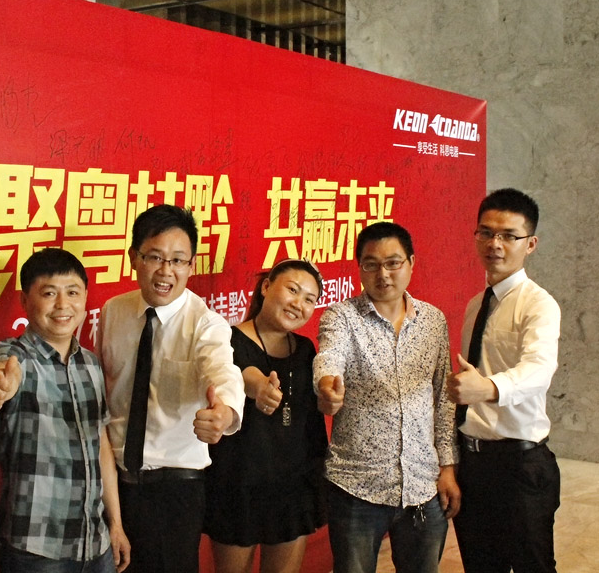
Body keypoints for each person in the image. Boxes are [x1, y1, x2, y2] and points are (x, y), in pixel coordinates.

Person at [95, 204, 245, 573]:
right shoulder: (113, 312)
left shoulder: (205, 324)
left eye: (178, 260)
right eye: (155, 257)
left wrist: (224, 414)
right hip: (112, 485)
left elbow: (223, 371)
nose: (166, 271)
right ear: (134, 258)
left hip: (174, 490)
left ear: (191, 265)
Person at [313, 222, 460, 573]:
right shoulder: (342, 316)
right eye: (371, 264)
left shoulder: (433, 321)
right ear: (359, 267)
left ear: (411, 263)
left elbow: (443, 398)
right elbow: (329, 356)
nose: (383, 275)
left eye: (393, 263)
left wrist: (447, 467)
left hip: (423, 483)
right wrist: (326, 385)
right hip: (357, 486)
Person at [0, 248, 130, 573]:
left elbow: (100, 444)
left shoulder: (90, 363)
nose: (63, 305)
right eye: (49, 293)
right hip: (37, 548)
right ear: (25, 300)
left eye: (72, 292)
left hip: (96, 543)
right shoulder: (15, 356)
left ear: (85, 296)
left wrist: (115, 523)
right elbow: (0, 370)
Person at [448, 188, 561, 573]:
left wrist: (489, 388)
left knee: (533, 565)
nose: (494, 244)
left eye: (508, 236)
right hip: (473, 464)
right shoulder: (475, 305)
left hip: (520, 465)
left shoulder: (539, 304)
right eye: (486, 233)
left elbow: (539, 369)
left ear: (530, 244)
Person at [204, 259, 328, 573]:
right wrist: (258, 386)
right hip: (237, 487)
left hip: (292, 488)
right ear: (266, 286)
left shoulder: (305, 350)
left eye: (309, 299)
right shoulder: (227, 339)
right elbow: (243, 374)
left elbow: (311, 424)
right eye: (293, 290)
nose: (298, 304)